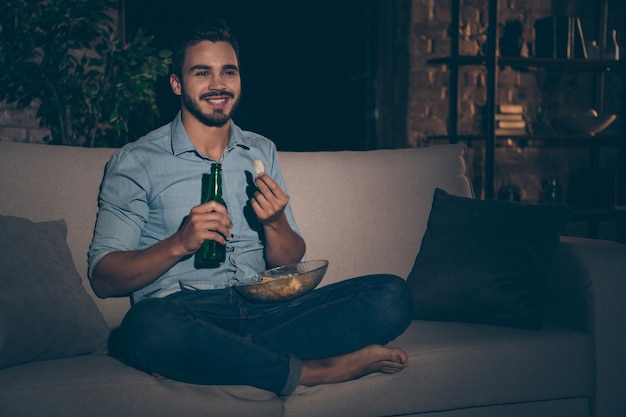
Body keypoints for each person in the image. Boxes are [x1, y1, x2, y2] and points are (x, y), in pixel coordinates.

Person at [88, 18, 413, 396]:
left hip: (266, 308)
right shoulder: (137, 160)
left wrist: (275, 222)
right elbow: (104, 276)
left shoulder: (261, 151)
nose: (218, 84)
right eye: (202, 72)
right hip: (188, 312)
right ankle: (309, 370)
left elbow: (288, 261)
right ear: (177, 83)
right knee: (147, 327)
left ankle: (215, 360)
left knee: (392, 296)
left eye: (228, 71)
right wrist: (179, 243)